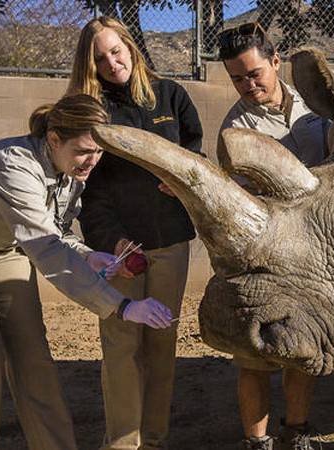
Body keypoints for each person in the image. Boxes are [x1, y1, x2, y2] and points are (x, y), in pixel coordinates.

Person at [0, 94, 173, 450]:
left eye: (99, 151)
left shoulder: (71, 172)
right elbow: (46, 248)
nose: (92, 161)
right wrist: (122, 306)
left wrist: (89, 256)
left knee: (34, 358)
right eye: (84, 151)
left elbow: (56, 232)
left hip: (2, 250)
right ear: (54, 139)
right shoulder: (10, 164)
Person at [216, 22, 334, 450]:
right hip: (268, 251)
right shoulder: (236, 126)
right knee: (256, 356)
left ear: (275, 62)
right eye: (237, 79)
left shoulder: (314, 100)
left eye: (254, 74)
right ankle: (256, 441)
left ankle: (295, 431)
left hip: (318, 249)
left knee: (303, 346)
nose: (247, 84)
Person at [67, 16, 204, 450]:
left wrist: (183, 179)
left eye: (116, 50)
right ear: (90, 65)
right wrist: (112, 242)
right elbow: (91, 190)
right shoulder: (92, 111)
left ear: (131, 46)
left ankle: (156, 439)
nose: (111, 63)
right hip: (121, 249)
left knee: (161, 346)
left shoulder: (172, 95)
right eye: (100, 58)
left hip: (171, 244)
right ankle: (123, 443)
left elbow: (193, 153)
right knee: (121, 346)